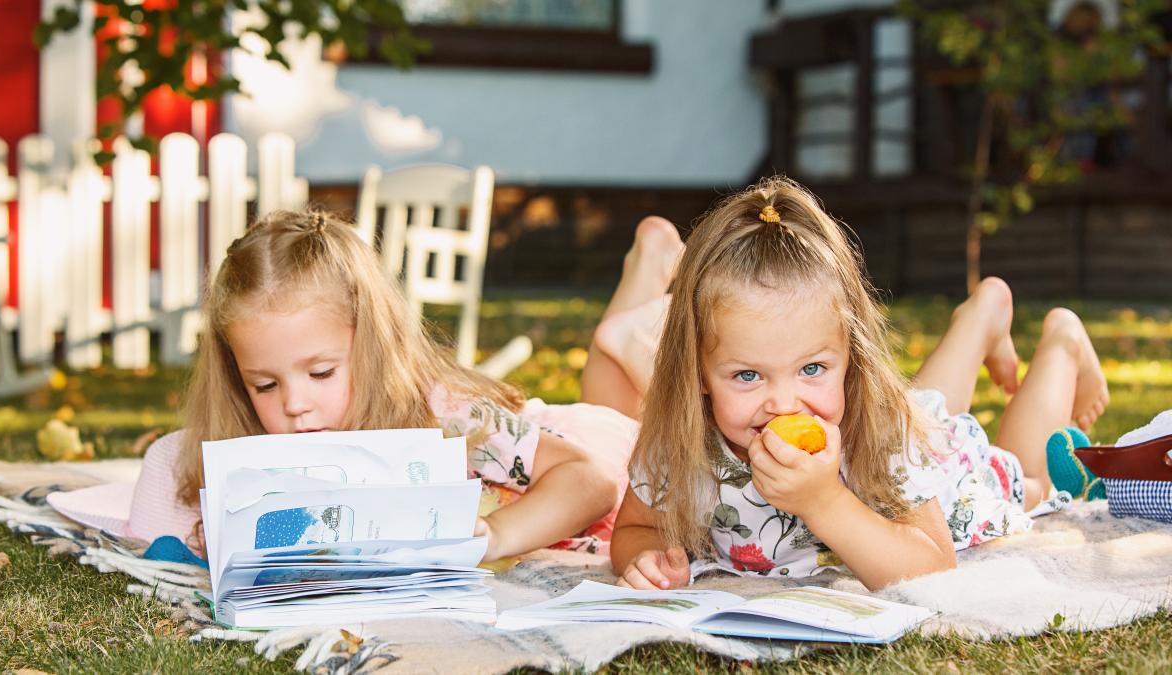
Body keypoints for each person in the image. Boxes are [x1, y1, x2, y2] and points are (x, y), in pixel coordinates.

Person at [607, 176, 1109, 592]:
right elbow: (634, 528)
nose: (784, 403)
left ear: (851, 357)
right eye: (748, 375)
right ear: (697, 372)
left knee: (1029, 478)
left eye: (812, 369)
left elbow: (934, 567)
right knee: (927, 410)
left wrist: (823, 501)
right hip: (918, 431)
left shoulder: (882, 430)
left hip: (949, 474)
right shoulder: (676, 441)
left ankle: (1061, 343)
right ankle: (983, 315)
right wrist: (647, 557)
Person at [125, 209, 647, 562]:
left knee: (632, 419)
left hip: (581, 444)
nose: (295, 404)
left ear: (372, 346)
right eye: (264, 385)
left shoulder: (444, 415)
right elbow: (171, 480)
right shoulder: (249, 437)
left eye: (321, 373)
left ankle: (633, 309)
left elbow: (593, 482)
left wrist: (496, 537)